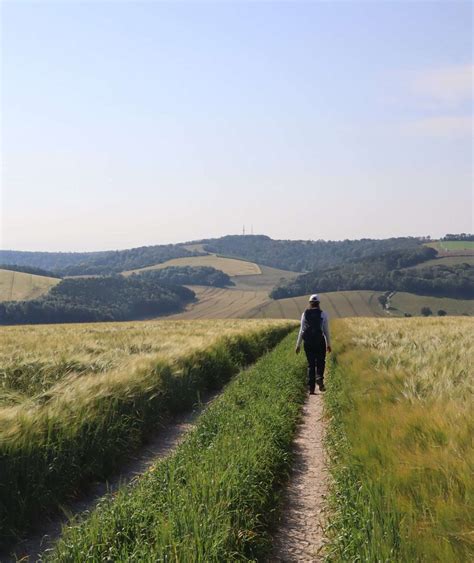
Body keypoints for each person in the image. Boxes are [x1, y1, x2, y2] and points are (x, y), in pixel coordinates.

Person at [295, 294, 331, 394]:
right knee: (321, 361)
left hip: (308, 342)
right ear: (319, 303)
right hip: (319, 341)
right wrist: (328, 344)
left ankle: (311, 389)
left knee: (311, 365)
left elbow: (301, 331)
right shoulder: (323, 314)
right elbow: (326, 331)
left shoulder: (304, 314)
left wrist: (298, 345)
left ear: (309, 303)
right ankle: (319, 377)